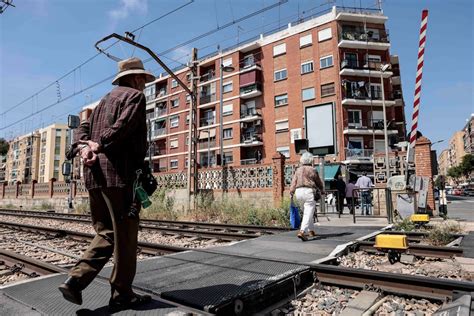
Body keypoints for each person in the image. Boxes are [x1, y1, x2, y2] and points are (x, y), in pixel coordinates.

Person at [59, 57, 154, 313]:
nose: (144, 85)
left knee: (106, 233)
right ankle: (122, 294)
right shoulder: (135, 97)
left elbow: (82, 128)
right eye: (143, 80)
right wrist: (99, 144)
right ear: (135, 78)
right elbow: (124, 125)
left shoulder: (102, 102)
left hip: (94, 177)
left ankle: (75, 281)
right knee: (125, 236)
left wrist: (82, 146)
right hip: (119, 176)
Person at [289, 152, 325, 241]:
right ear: (310, 160)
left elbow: (293, 182)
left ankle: (311, 230)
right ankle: (302, 231)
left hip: (298, 192)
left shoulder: (298, 170)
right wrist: (322, 190)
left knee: (307, 212)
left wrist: (291, 192)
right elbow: (318, 182)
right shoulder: (313, 169)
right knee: (308, 212)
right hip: (308, 191)